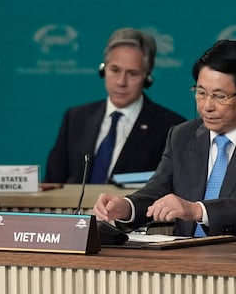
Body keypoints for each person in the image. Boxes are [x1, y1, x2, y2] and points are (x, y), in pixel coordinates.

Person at [93, 39, 236, 239]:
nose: (206, 106)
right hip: (185, 258)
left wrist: (197, 210)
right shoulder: (182, 135)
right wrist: (126, 207)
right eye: (201, 93)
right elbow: (157, 191)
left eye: (220, 96)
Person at [44, 27, 185, 184]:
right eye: (115, 70)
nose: (121, 82)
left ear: (147, 77)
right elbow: (52, 182)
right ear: (103, 69)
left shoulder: (170, 127)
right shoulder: (76, 118)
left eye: (132, 73)